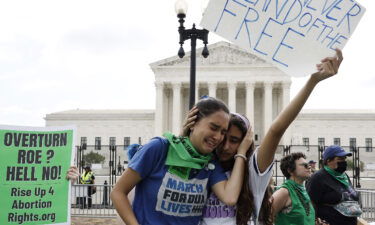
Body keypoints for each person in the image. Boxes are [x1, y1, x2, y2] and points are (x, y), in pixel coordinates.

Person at [185, 49, 343, 225]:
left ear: (245, 142)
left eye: (235, 140)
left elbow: (276, 131)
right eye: (223, 136)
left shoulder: (252, 173)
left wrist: (312, 81)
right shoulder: (205, 167)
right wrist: (187, 131)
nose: (226, 146)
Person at [111, 97, 252, 225]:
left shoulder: (210, 164)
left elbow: (230, 197)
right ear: (193, 123)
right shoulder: (160, 148)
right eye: (213, 127)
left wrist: (241, 152)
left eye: (222, 132)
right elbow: (118, 192)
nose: (218, 137)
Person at [307, 145, 362, 225]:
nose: (343, 161)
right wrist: (315, 221)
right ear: (328, 160)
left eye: (344, 159)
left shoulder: (343, 176)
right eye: (340, 159)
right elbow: (309, 204)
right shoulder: (318, 177)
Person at [272, 152, 323, 225]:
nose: (309, 167)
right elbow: (264, 218)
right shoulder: (284, 191)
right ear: (290, 170)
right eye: (304, 165)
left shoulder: (302, 190)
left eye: (308, 164)